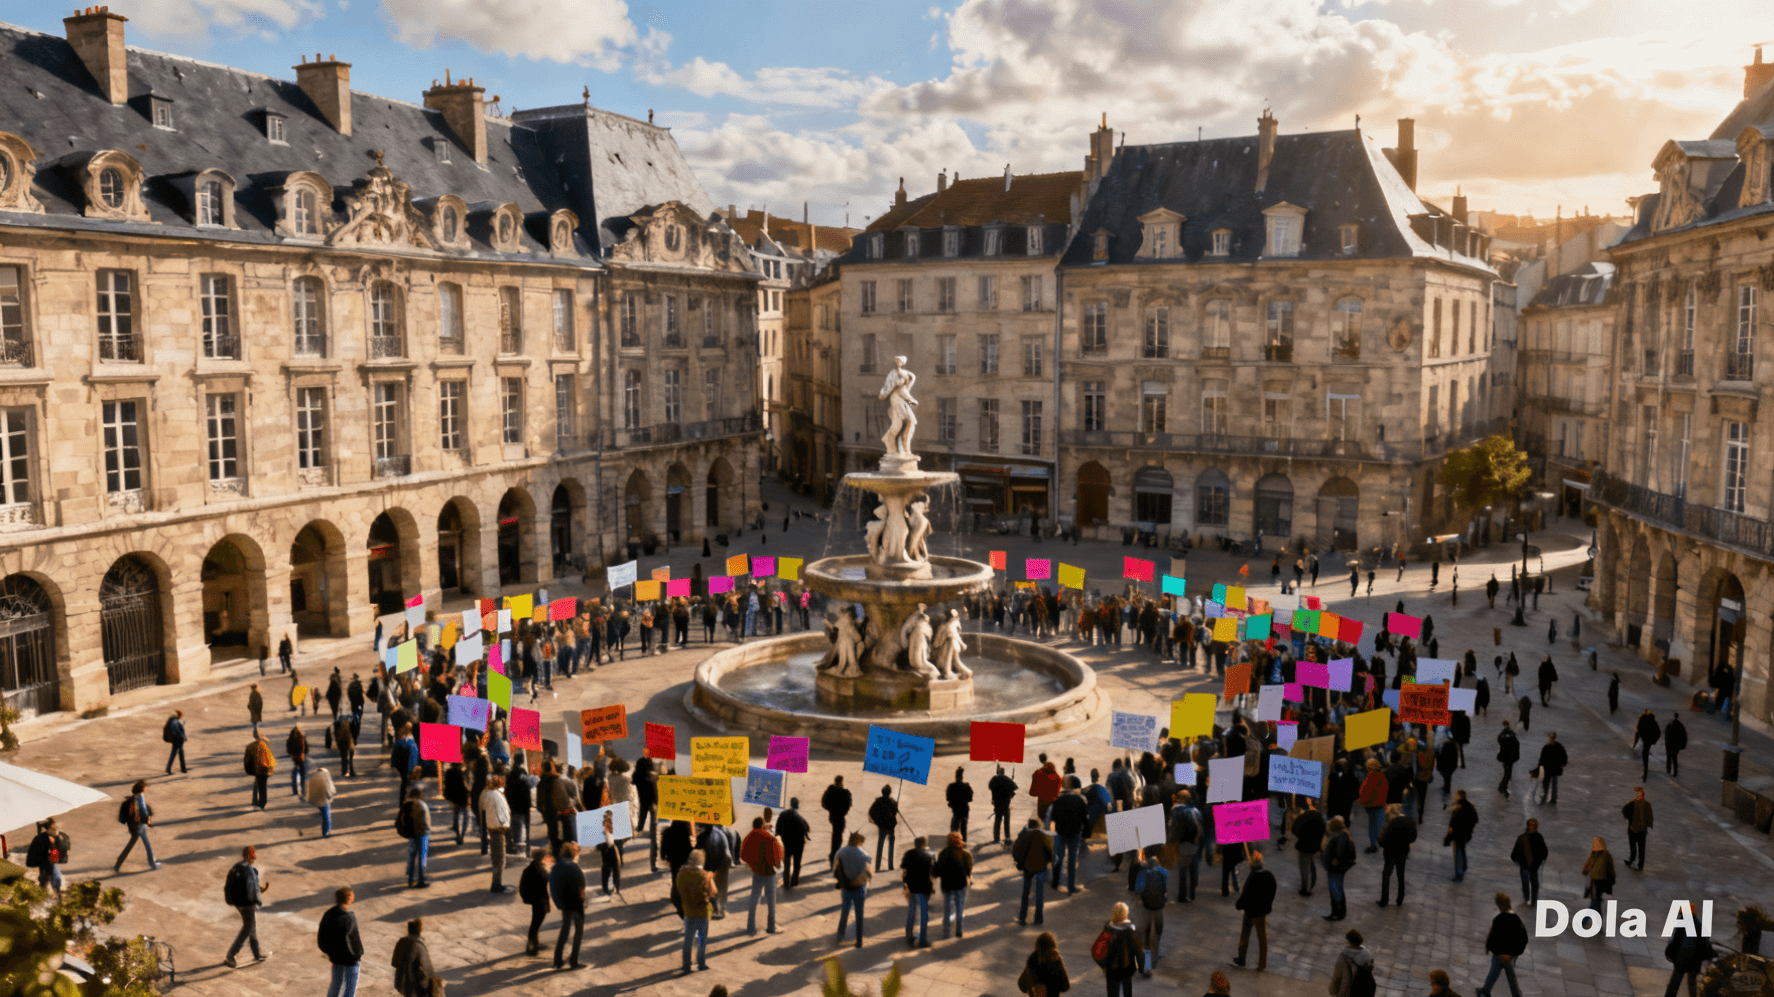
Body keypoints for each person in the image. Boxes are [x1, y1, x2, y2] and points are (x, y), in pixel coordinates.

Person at [223, 845, 271, 967]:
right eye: (253, 857)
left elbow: (249, 885)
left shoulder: (236, 867)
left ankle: (256, 954)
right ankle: (231, 955)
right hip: (247, 904)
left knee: (251, 926)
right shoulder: (250, 870)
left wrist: (261, 889)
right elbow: (251, 888)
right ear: (250, 857)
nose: (254, 859)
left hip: (238, 903)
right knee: (247, 928)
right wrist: (256, 900)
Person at [1477, 892, 1528, 997]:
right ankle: (1516, 994)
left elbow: (1493, 937)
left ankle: (1485, 991)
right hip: (1509, 956)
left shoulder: (1498, 920)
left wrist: (1490, 948)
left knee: (1493, 974)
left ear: (1499, 905)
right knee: (1511, 977)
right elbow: (1523, 939)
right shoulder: (1517, 920)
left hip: (1499, 954)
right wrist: (1514, 954)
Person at [740, 816, 783, 935]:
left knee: (754, 900)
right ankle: (771, 927)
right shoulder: (769, 837)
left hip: (757, 872)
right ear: (762, 825)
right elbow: (777, 859)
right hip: (769, 873)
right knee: (771, 901)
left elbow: (743, 856)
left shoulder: (748, 837)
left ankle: (750, 928)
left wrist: (752, 864)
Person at [317, 886, 363, 997]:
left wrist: (329, 953)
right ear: (349, 899)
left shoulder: (328, 914)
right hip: (351, 960)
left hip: (336, 958)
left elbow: (321, 938)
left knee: (336, 985)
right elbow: (354, 941)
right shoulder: (349, 918)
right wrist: (357, 955)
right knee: (350, 987)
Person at [1232, 852, 1276, 971]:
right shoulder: (1269, 876)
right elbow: (1272, 893)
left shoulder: (1252, 878)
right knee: (1262, 938)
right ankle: (1262, 964)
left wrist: (1239, 905)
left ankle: (1242, 958)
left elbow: (1245, 895)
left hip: (1250, 913)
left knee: (1245, 935)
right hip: (1262, 913)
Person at [549, 840, 587, 970]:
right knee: (578, 930)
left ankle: (557, 959)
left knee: (565, 930)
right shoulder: (574, 868)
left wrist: (558, 903)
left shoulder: (556, 867)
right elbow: (582, 887)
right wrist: (583, 902)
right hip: (576, 904)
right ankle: (573, 960)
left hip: (564, 904)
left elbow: (552, 887)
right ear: (574, 855)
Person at [677, 849, 716, 973]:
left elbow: (678, 887)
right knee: (701, 939)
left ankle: (686, 965)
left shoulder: (682, 874)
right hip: (702, 912)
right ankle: (701, 963)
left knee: (687, 939)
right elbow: (713, 892)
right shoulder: (704, 875)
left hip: (688, 912)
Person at [1664, 902, 1714, 997]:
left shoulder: (1682, 924)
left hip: (1681, 960)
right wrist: (1708, 955)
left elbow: (1675, 941)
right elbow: (1705, 944)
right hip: (1694, 961)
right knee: (1692, 983)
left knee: (1675, 982)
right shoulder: (1699, 925)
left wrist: (1669, 953)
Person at [1049, 777, 1089, 893]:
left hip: (1060, 833)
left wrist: (1054, 831)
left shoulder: (1059, 800)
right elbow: (1085, 819)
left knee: (1059, 858)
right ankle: (1071, 886)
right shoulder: (1080, 800)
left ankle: (1055, 883)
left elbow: (1053, 817)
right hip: (1074, 834)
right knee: (1071, 860)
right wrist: (1086, 833)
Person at [1012, 817, 1055, 926]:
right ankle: (1038, 918)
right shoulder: (1044, 835)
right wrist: (1048, 861)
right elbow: (1050, 851)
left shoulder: (1024, 835)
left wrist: (1019, 861)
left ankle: (1022, 918)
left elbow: (1015, 850)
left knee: (1025, 893)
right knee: (1039, 893)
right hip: (1041, 867)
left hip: (1027, 867)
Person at [1131, 852, 1168, 975]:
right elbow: (1167, 883)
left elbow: (1138, 889)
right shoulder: (1162, 871)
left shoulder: (1143, 873)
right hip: (1159, 908)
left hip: (1147, 908)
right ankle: (1156, 958)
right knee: (1157, 933)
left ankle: (1147, 966)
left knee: (1146, 937)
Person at [834, 831, 872, 948]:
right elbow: (868, 869)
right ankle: (859, 940)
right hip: (860, 887)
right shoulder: (864, 855)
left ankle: (840, 935)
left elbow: (836, 869)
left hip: (846, 887)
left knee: (845, 910)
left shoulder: (841, 852)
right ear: (858, 841)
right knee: (859, 913)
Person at [113, 780, 161, 872]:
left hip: (135, 825)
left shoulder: (132, 799)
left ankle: (152, 863)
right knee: (141, 844)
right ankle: (118, 864)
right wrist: (149, 821)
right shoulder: (139, 798)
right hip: (138, 825)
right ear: (142, 789)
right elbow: (143, 812)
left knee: (143, 844)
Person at [1100, 902, 1145, 997]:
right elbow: (1138, 950)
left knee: (1112, 992)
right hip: (1127, 966)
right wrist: (1142, 967)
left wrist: (1103, 966)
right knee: (1127, 989)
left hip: (1111, 967)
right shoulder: (1131, 930)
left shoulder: (1107, 928)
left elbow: (1102, 948)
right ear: (1126, 913)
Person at [1376, 804, 1416, 907]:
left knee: (1386, 876)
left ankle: (1384, 900)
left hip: (1390, 852)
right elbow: (1413, 838)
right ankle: (1400, 899)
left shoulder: (1393, 823)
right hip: (1403, 852)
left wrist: (1379, 840)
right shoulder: (1410, 822)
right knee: (1400, 875)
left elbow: (1384, 839)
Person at [901, 835, 935, 947]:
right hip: (924, 887)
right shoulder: (930, 855)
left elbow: (904, 871)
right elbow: (932, 873)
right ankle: (923, 940)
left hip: (912, 887)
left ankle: (909, 935)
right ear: (924, 844)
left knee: (911, 912)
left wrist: (905, 884)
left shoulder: (908, 854)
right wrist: (932, 887)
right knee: (924, 915)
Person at [518, 849, 553, 956]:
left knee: (535, 923)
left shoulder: (530, 868)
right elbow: (547, 879)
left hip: (535, 900)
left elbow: (522, 886)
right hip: (539, 900)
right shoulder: (539, 870)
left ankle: (534, 943)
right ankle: (531, 946)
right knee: (535, 924)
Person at [1321, 815, 1356, 921]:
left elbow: (1338, 854)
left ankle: (1337, 913)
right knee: (1337, 889)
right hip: (1340, 868)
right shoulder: (1344, 835)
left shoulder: (1339, 837)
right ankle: (1339, 912)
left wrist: (1333, 863)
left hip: (1336, 869)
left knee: (1335, 890)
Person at [482, 774, 512, 892]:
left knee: (496, 858)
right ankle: (496, 885)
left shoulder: (488, 794)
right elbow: (502, 813)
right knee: (500, 859)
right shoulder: (496, 796)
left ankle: (496, 883)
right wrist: (505, 826)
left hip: (492, 828)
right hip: (498, 830)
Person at [26, 818, 70, 897]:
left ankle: (55, 892)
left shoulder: (57, 835)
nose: (55, 826)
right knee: (47, 878)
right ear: (48, 827)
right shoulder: (43, 837)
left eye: (54, 825)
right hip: (46, 861)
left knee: (54, 877)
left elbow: (62, 847)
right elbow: (36, 850)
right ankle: (46, 893)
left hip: (52, 860)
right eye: (52, 825)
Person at [390, 919, 434, 997]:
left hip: (400, 982)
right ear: (419, 931)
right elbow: (428, 967)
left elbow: (394, 963)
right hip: (416, 986)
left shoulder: (401, 942)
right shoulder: (418, 945)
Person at [1018, 931, 1070, 996]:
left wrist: (1032, 988)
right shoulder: (1055, 961)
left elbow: (1022, 985)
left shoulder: (1032, 961)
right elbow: (1065, 986)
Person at [1510, 818, 1548, 907]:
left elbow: (1514, 853)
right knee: (1534, 881)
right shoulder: (1539, 837)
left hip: (1524, 864)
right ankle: (1534, 899)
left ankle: (1527, 897)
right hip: (1535, 865)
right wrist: (1541, 860)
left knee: (1525, 880)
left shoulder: (1522, 837)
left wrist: (1516, 860)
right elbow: (1545, 852)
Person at [1292, 798, 1326, 896]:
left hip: (1303, 846)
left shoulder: (1303, 817)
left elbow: (1294, 830)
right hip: (1314, 846)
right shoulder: (1320, 817)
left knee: (1304, 867)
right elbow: (1323, 831)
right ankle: (1312, 883)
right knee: (1311, 864)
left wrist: (1300, 837)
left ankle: (1305, 889)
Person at [1328, 928, 1376, 997]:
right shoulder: (1367, 954)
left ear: (1349, 941)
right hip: (1366, 988)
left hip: (1350, 990)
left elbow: (1337, 976)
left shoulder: (1344, 957)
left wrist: (1333, 990)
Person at [776, 798, 810, 888]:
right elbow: (807, 828)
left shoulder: (783, 815)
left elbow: (777, 830)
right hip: (799, 844)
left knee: (786, 864)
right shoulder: (799, 817)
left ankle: (786, 882)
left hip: (787, 843)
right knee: (797, 863)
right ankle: (794, 881)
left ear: (790, 804)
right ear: (797, 805)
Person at [400, 787, 431, 888]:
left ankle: (410, 880)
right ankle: (421, 880)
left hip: (412, 835)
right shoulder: (422, 805)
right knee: (422, 858)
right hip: (422, 834)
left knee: (412, 857)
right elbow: (426, 822)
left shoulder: (407, 805)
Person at [1446, 789, 1478, 882]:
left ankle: (1459, 874)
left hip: (1458, 834)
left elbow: (1453, 823)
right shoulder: (1470, 806)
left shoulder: (1458, 807)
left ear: (1459, 796)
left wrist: (1449, 836)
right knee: (1462, 850)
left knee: (1458, 854)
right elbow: (1476, 819)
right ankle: (1464, 866)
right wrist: (1469, 828)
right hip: (1466, 834)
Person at [1622, 786, 1654, 871]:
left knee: (1633, 846)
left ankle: (1632, 860)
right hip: (1642, 831)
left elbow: (1624, 810)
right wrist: (1648, 825)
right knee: (1641, 848)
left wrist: (1628, 818)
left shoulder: (1633, 803)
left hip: (1632, 829)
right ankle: (1641, 864)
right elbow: (1650, 817)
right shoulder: (1647, 804)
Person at [869, 784, 899, 871]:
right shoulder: (892, 801)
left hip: (882, 826)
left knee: (880, 846)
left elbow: (871, 812)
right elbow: (895, 812)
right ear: (890, 792)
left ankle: (877, 866)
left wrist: (876, 822)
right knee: (891, 846)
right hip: (890, 826)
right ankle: (890, 866)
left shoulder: (878, 801)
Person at [1581, 837, 1616, 913]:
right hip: (1602, 881)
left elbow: (1586, 866)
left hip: (1594, 881)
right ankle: (1598, 920)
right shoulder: (1606, 854)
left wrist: (1585, 871)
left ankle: (1584, 921)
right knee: (1596, 901)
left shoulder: (1593, 853)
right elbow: (1611, 867)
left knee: (1595, 902)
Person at [823, 775, 853, 862]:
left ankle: (833, 854)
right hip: (840, 816)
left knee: (835, 835)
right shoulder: (844, 792)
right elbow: (848, 804)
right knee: (838, 836)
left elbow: (824, 803)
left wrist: (831, 810)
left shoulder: (830, 791)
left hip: (833, 816)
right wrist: (843, 812)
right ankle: (835, 854)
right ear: (841, 781)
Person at [307, 760, 337, 837]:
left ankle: (325, 831)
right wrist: (331, 796)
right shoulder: (326, 778)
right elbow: (331, 790)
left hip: (317, 800)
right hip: (324, 800)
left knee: (324, 815)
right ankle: (326, 833)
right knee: (327, 817)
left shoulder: (314, 778)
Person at [1535, 733, 1567, 804]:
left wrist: (1539, 766)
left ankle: (1544, 798)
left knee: (1546, 783)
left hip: (1548, 769)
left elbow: (1542, 758)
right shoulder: (1559, 746)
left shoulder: (1546, 747)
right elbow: (1564, 756)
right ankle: (1553, 798)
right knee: (1554, 783)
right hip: (1556, 768)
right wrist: (1563, 764)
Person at [990, 765, 1019, 843]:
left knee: (997, 821)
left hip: (997, 803)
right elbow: (1015, 787)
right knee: (1006, 822)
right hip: (1006, 803)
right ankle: (1007, 837)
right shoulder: (1008, 780)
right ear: (1004, 772)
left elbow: (990, 787)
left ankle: (996, 838)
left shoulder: (994, 779)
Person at [247, 731, 275, 810]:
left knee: (258, 785)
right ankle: (261, 802)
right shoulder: (264, 748)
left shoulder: (255, 747)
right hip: (264, 769)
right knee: (262, 786)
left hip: (258, 769)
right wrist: (271, 768)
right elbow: (270, 759)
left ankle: (257, 802)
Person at [1633, 710, 1663, 781]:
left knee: (1645, 753)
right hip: (1650, 739)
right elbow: (1658, 732)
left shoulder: (1642, 720)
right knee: (1646, 751)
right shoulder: (1653, 721)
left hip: (1645, 739)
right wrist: (1654, 741)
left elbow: (1638, 729)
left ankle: (1645, 768)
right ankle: (1645, 768)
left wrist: (1642, 737)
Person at [946, 767, 973, 841]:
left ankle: (954, 843)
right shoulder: (966, 786)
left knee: (954, 828)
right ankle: (963, 843)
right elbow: (970, 799)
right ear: (962, 777)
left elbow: (948, 798)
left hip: (955, 810)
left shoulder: (951, 786)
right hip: (964, 810)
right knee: (964, 829)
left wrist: (952, 803)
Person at [1495, 721, 1520, 797]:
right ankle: (1502, 787)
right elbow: (1516, 744)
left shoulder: (1504, 734)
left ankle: (1503, 787)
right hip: (1509, 757)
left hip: (1507, 757)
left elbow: (1500, 741)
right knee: (1508, 773)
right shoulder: (1510, 734)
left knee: (1508, 773)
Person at [163, 710, 188, 775]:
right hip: (178, 740)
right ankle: (182, 769)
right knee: (179, 754)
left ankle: (169, 769)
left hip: (176, 740)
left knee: (175, 754)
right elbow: (176, 731)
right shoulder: (175, 722)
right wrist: (182, 738)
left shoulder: (173, 721)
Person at [333, 712, 357, 778]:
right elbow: (355, 733)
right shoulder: (351, 721)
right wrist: (354, 741)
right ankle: (351, 771)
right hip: (348, 740)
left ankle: (344, 772)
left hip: (342, 741)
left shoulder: (338, 724)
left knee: (344, 757)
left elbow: (336, 735)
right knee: (350, 756)